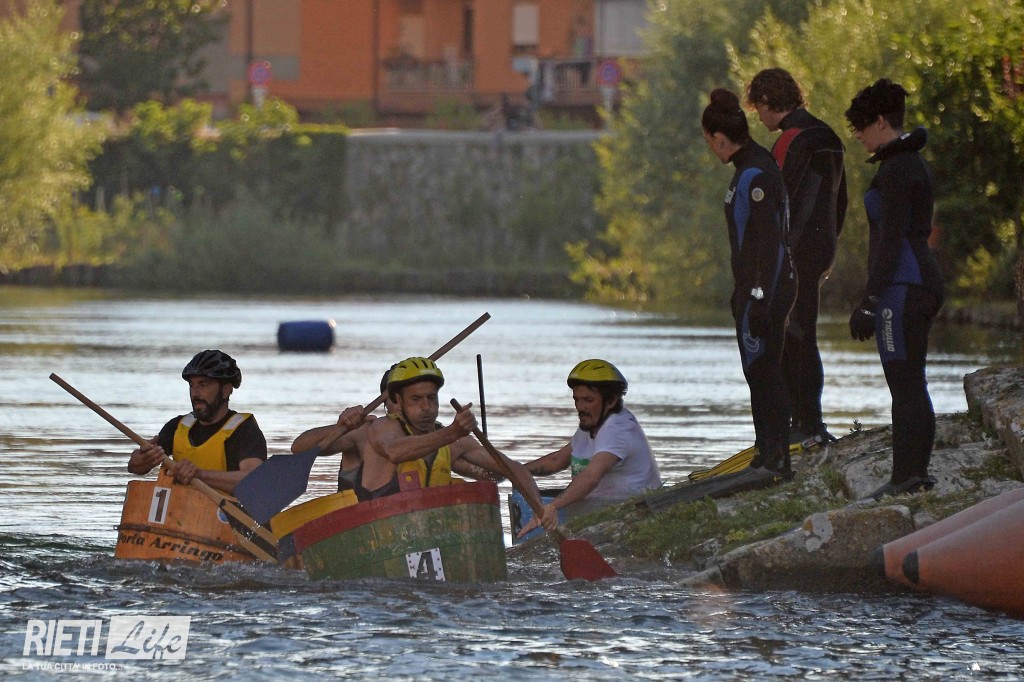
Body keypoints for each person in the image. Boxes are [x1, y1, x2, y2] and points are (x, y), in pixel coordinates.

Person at [844, 78, 944, 499]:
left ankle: (905, 478)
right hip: (918, 279)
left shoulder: (898, 168)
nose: (859, 136)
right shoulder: (909, 161)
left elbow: (890, 240)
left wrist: (870, 301)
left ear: (881, 122)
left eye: (862, 127)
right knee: (912, 382)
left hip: (903, 285)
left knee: (904, 385)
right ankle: (915, 474)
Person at [746, 68, 848, 444]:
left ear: (768, 101)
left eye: (758, 108)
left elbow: (779, 204)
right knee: (806, 330)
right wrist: (829, 246)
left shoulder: (790, 139)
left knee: (792, 334)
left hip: (793, 251)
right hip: (821, 249)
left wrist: (769, 257)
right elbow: (840, 200)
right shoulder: (830, 137)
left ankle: (804, 424)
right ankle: (810, 421)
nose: (759, 117)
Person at [702, 88, 797, 483]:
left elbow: (766, 241)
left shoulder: (755, 173)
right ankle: (767, 453)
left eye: (709, 142)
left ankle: (776, 458)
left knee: (764, 371)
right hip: (759, 286)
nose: (711, 149)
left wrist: (758, 295)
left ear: (719, 139)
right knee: (759, 371)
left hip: (767, 287)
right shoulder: (749, 167)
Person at [335, 357, 540, 502]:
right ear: (397, 400)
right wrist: (342, 424)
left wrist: (540, 510)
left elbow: (510, 470)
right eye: (416, 399)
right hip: (375, 527)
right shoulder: (374, 428)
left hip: (428, 529)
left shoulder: (454, 442)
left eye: (431, 398)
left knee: (461, 487)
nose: (426, 407)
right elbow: (395, 451)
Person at [291, 366, 498, 490]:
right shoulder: (364, 432)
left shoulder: (445, 441)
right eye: (406, 400)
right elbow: (299, 448)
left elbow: (492, 476)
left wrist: (494, 465)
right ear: (388, 402)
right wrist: (340, 427)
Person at [519, 360, 661, 536]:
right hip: (598, 515)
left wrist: (553, 507)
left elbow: (591, 477)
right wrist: (515, 471)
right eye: (577, 400)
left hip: (631, 518)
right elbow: (557, 461)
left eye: (588, 400)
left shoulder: (618, 430)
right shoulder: (591, 425)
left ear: (611, 400)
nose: (580, 407)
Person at [127, 350, 267, 494]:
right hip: (178, 508)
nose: (195, 393)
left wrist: (200, 475)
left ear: (226, 390)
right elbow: (135, 467)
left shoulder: (245, 430)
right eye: (192, 385)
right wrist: (143, 458)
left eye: (203, 384)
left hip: (223, 509)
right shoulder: (177, 426)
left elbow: (253, 481)